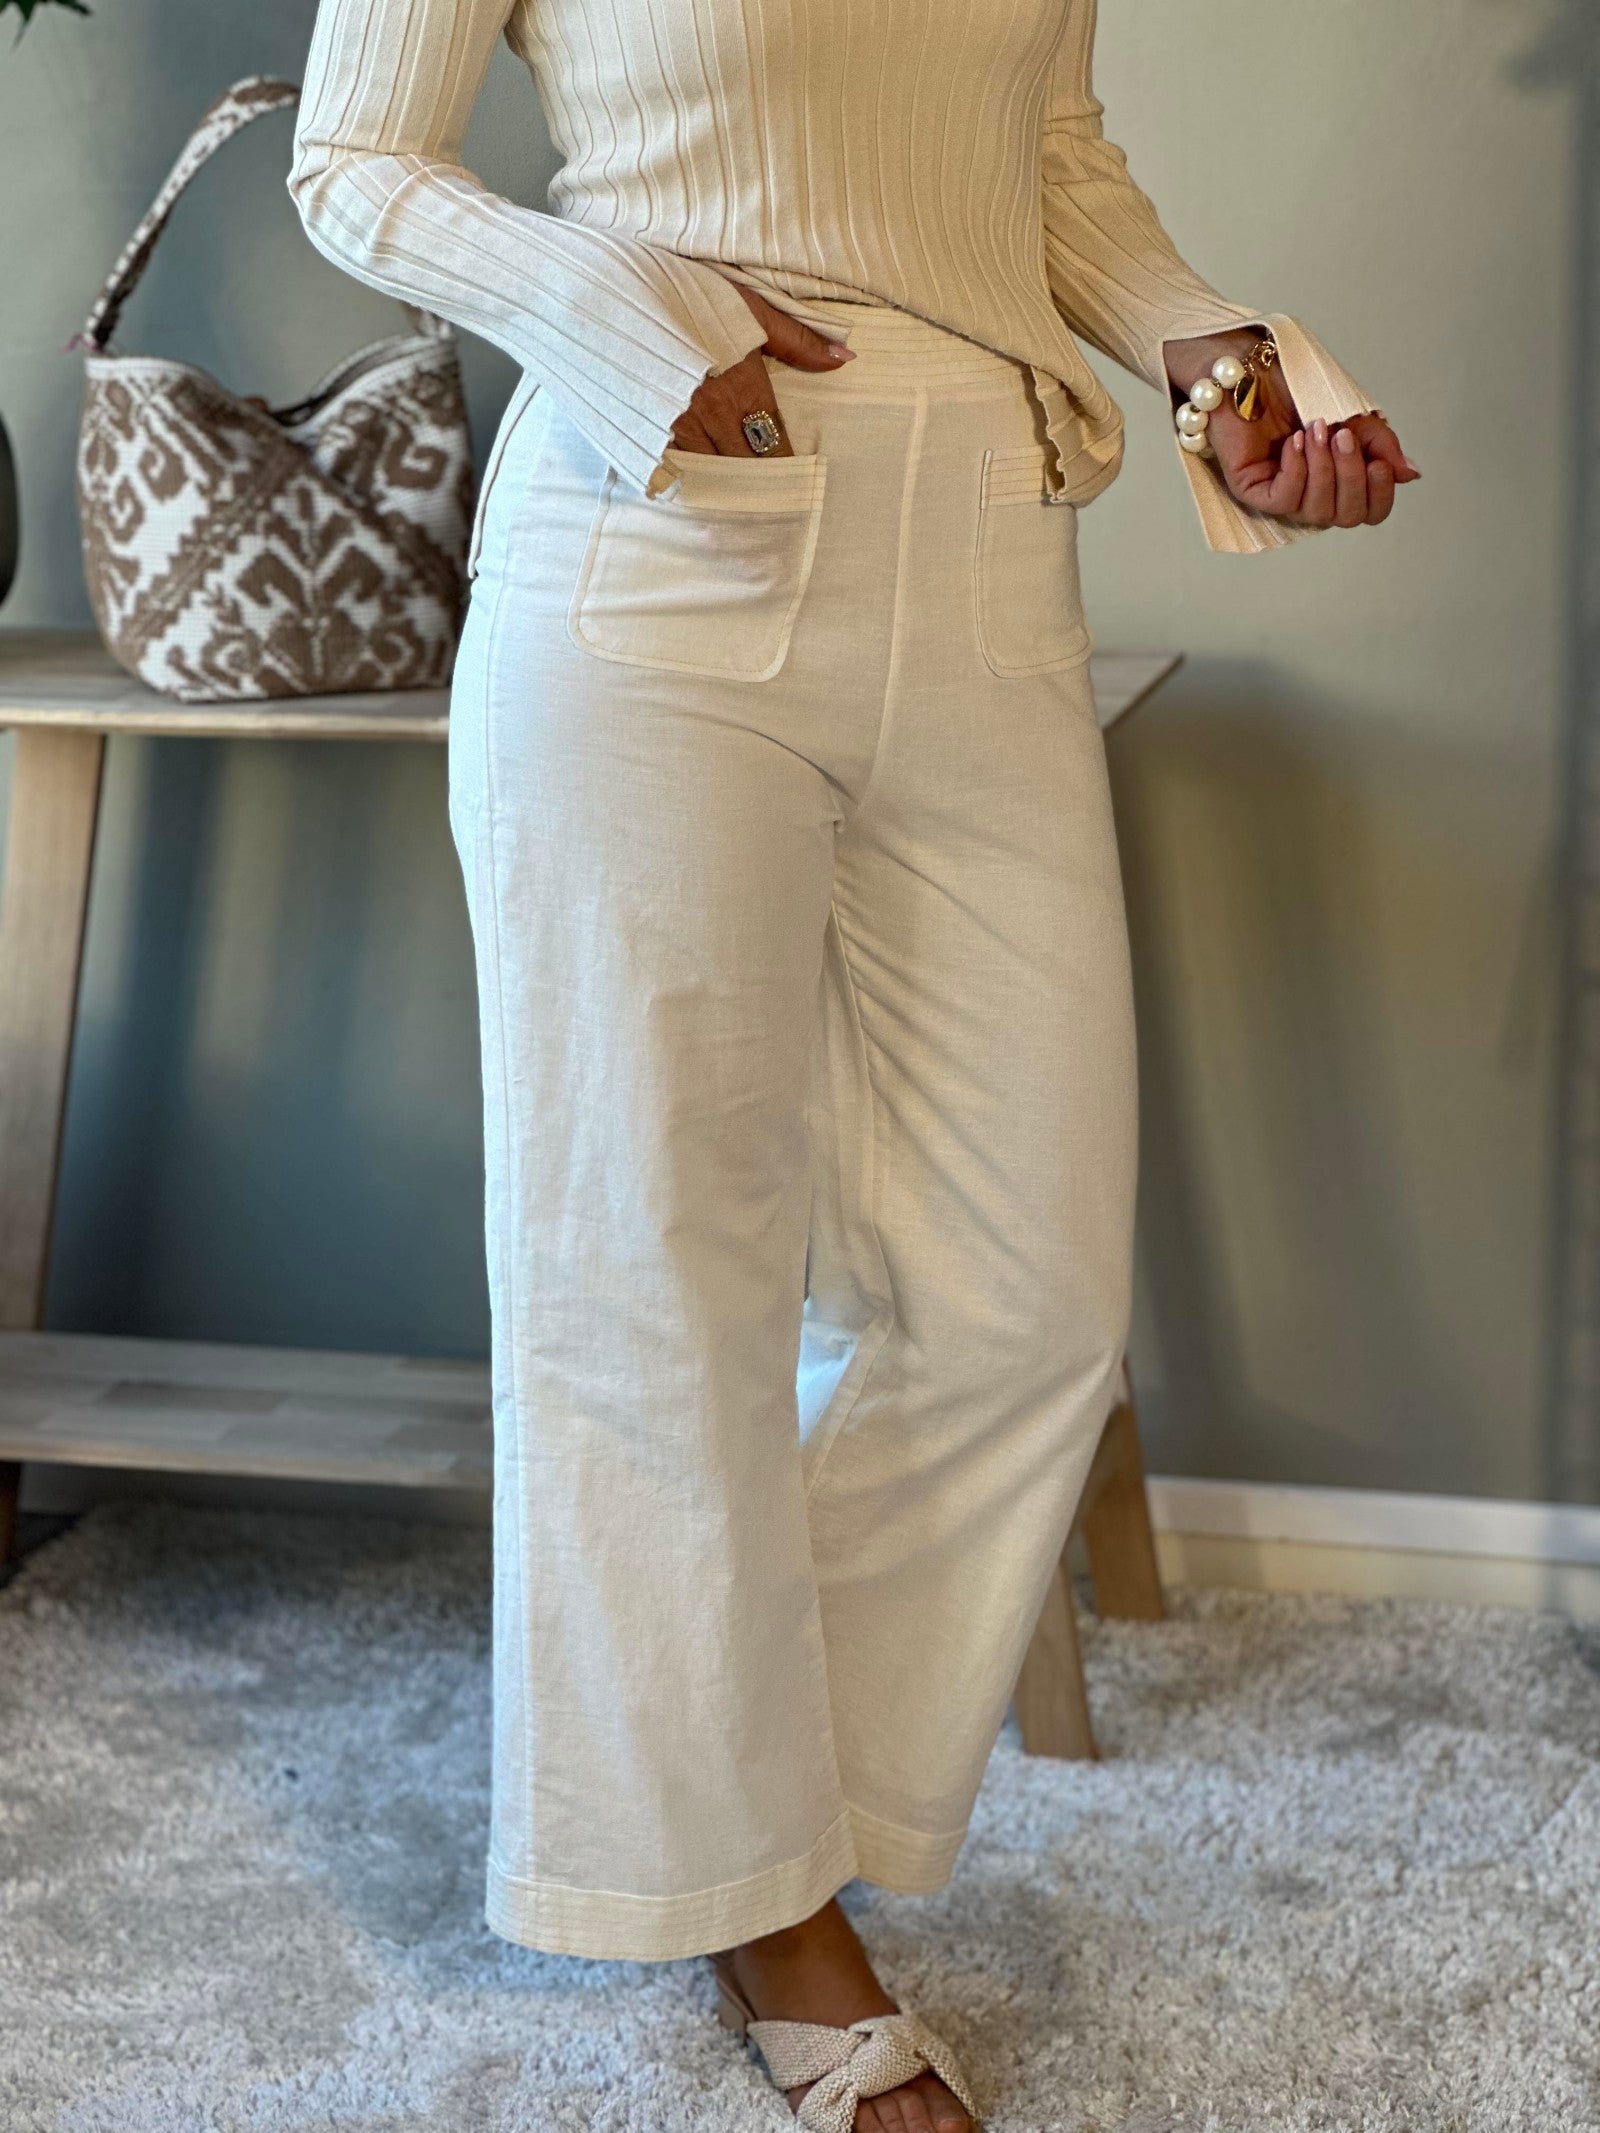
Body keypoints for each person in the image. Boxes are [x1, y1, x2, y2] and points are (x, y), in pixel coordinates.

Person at [288, 0, 1416, 2120]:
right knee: (649, 1273)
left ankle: (723, 1801)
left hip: (989, 541)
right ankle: (767, 1908)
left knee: (1023, 1301)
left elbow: (1039, 152)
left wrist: (1203, 349)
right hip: (657, 532)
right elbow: (353, 162)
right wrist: (618, 309)